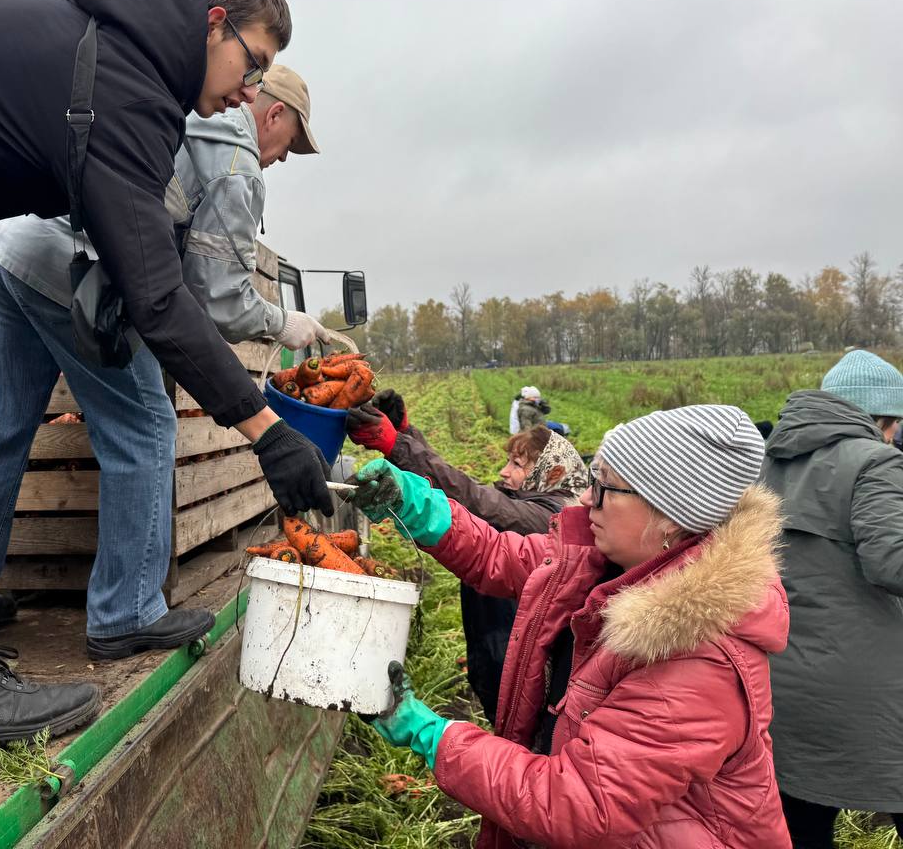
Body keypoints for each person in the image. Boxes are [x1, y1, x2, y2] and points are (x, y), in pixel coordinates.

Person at [0, 0, 334, 770]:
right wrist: (268, 431)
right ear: (215, 25)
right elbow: (162, 297)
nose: (249, 91)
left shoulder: (121, 47)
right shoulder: (133, 88)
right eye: (253, 65)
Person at [0, 64, 326, 660]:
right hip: (72, 267)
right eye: (288, 145)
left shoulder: (188, 111)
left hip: (11, 245)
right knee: (145, 424)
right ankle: (127, 610)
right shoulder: (237, 159)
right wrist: (280, 321)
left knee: (2, 429)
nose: (281, 159)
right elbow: (217, 298)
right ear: (273, 115)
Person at [352, 405, 790, 848]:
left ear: (670, 515)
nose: (584, 499)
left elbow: (574, 804)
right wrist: (417, 506)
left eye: (605, 487)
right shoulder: (612, 563)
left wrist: (431, 735)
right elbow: (501, 555)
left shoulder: (698, 660)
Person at [346, 393, 588, 720]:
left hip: (514, 668)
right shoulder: (539, 503)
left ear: (553, 473)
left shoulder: (551, 519)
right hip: (501, 653)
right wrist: (406, 436)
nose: (503, 472)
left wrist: (398, 445)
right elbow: (464, 491)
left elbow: (473, 500)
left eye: (517, 465)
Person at [761, 349, 903, 848]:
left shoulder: (768, 461)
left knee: (800, 823)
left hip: (782, 678)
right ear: (881, 418)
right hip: (867, 684)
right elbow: (892, 561)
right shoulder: (876, 461)